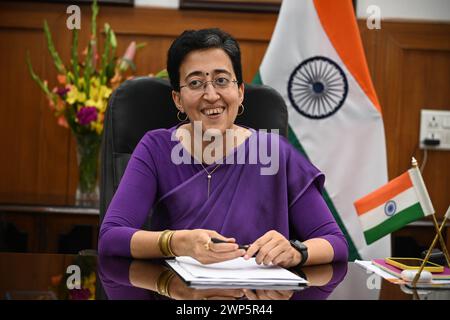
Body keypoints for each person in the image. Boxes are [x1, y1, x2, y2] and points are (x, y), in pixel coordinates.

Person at [98, 28, 348, 268]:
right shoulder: (156, 148)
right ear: (178, 99)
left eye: (221, 80)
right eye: (196, 83)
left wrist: (296, 252)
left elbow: (334, 242)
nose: (211, 95)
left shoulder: (275, 152)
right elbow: (111, 238)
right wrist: (177, 242)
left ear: (239, 92)